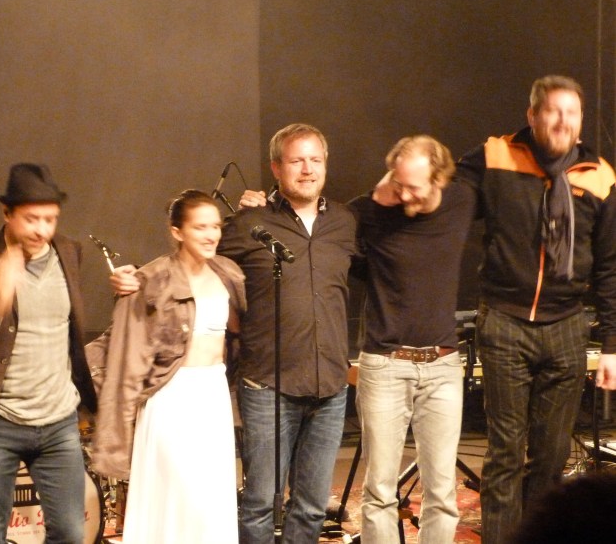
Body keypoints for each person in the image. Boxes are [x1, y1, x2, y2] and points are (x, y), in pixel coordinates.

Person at [113, 123, 356, 542]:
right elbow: (189, 257)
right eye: (297, 160)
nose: (308, 169)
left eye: (316, 160)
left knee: (313, 506)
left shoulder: (345, 222)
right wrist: (136, 277)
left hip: (330, 385)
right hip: (268, 385)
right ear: (276, 167)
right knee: (260, 503)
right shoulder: (249, 224)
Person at [456, 75, 616, 544]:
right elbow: (443, 201)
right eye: (553, 111)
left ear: (581, 121)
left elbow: (610, 265)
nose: (563, 121)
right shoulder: (495, 156)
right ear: (532, 115)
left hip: (567, 324)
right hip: (505, 320)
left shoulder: (600, 176)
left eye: (572, 112)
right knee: (505, 452)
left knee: (551, 455)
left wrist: (612, 343)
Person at [0, 163, 97, 544]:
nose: (42, 230)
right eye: (31, 219)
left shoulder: (69, 253)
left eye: (50, 219)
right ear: (6, 213)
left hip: (59, 421)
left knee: (71, 532)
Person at [92, 189, 247, 544]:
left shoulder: (229, 273)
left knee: (209, 497)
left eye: (215, 226)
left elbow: (241, 336)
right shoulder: (153, 278)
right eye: (200, 227)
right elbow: (128, 354)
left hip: (213, 394)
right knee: (179, 495)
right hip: (172, 396)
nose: (211, 235)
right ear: (177, 232)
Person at [351, 135, 476, 543]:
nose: (404, 195)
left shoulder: (462, 201)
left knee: (442, 492)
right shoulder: (368, 212)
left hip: (442, 367)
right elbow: (319, 224)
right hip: (385, 364)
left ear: (439, 178)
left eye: (413, 186)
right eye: (397, 183)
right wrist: (378, 195)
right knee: (379, 491)